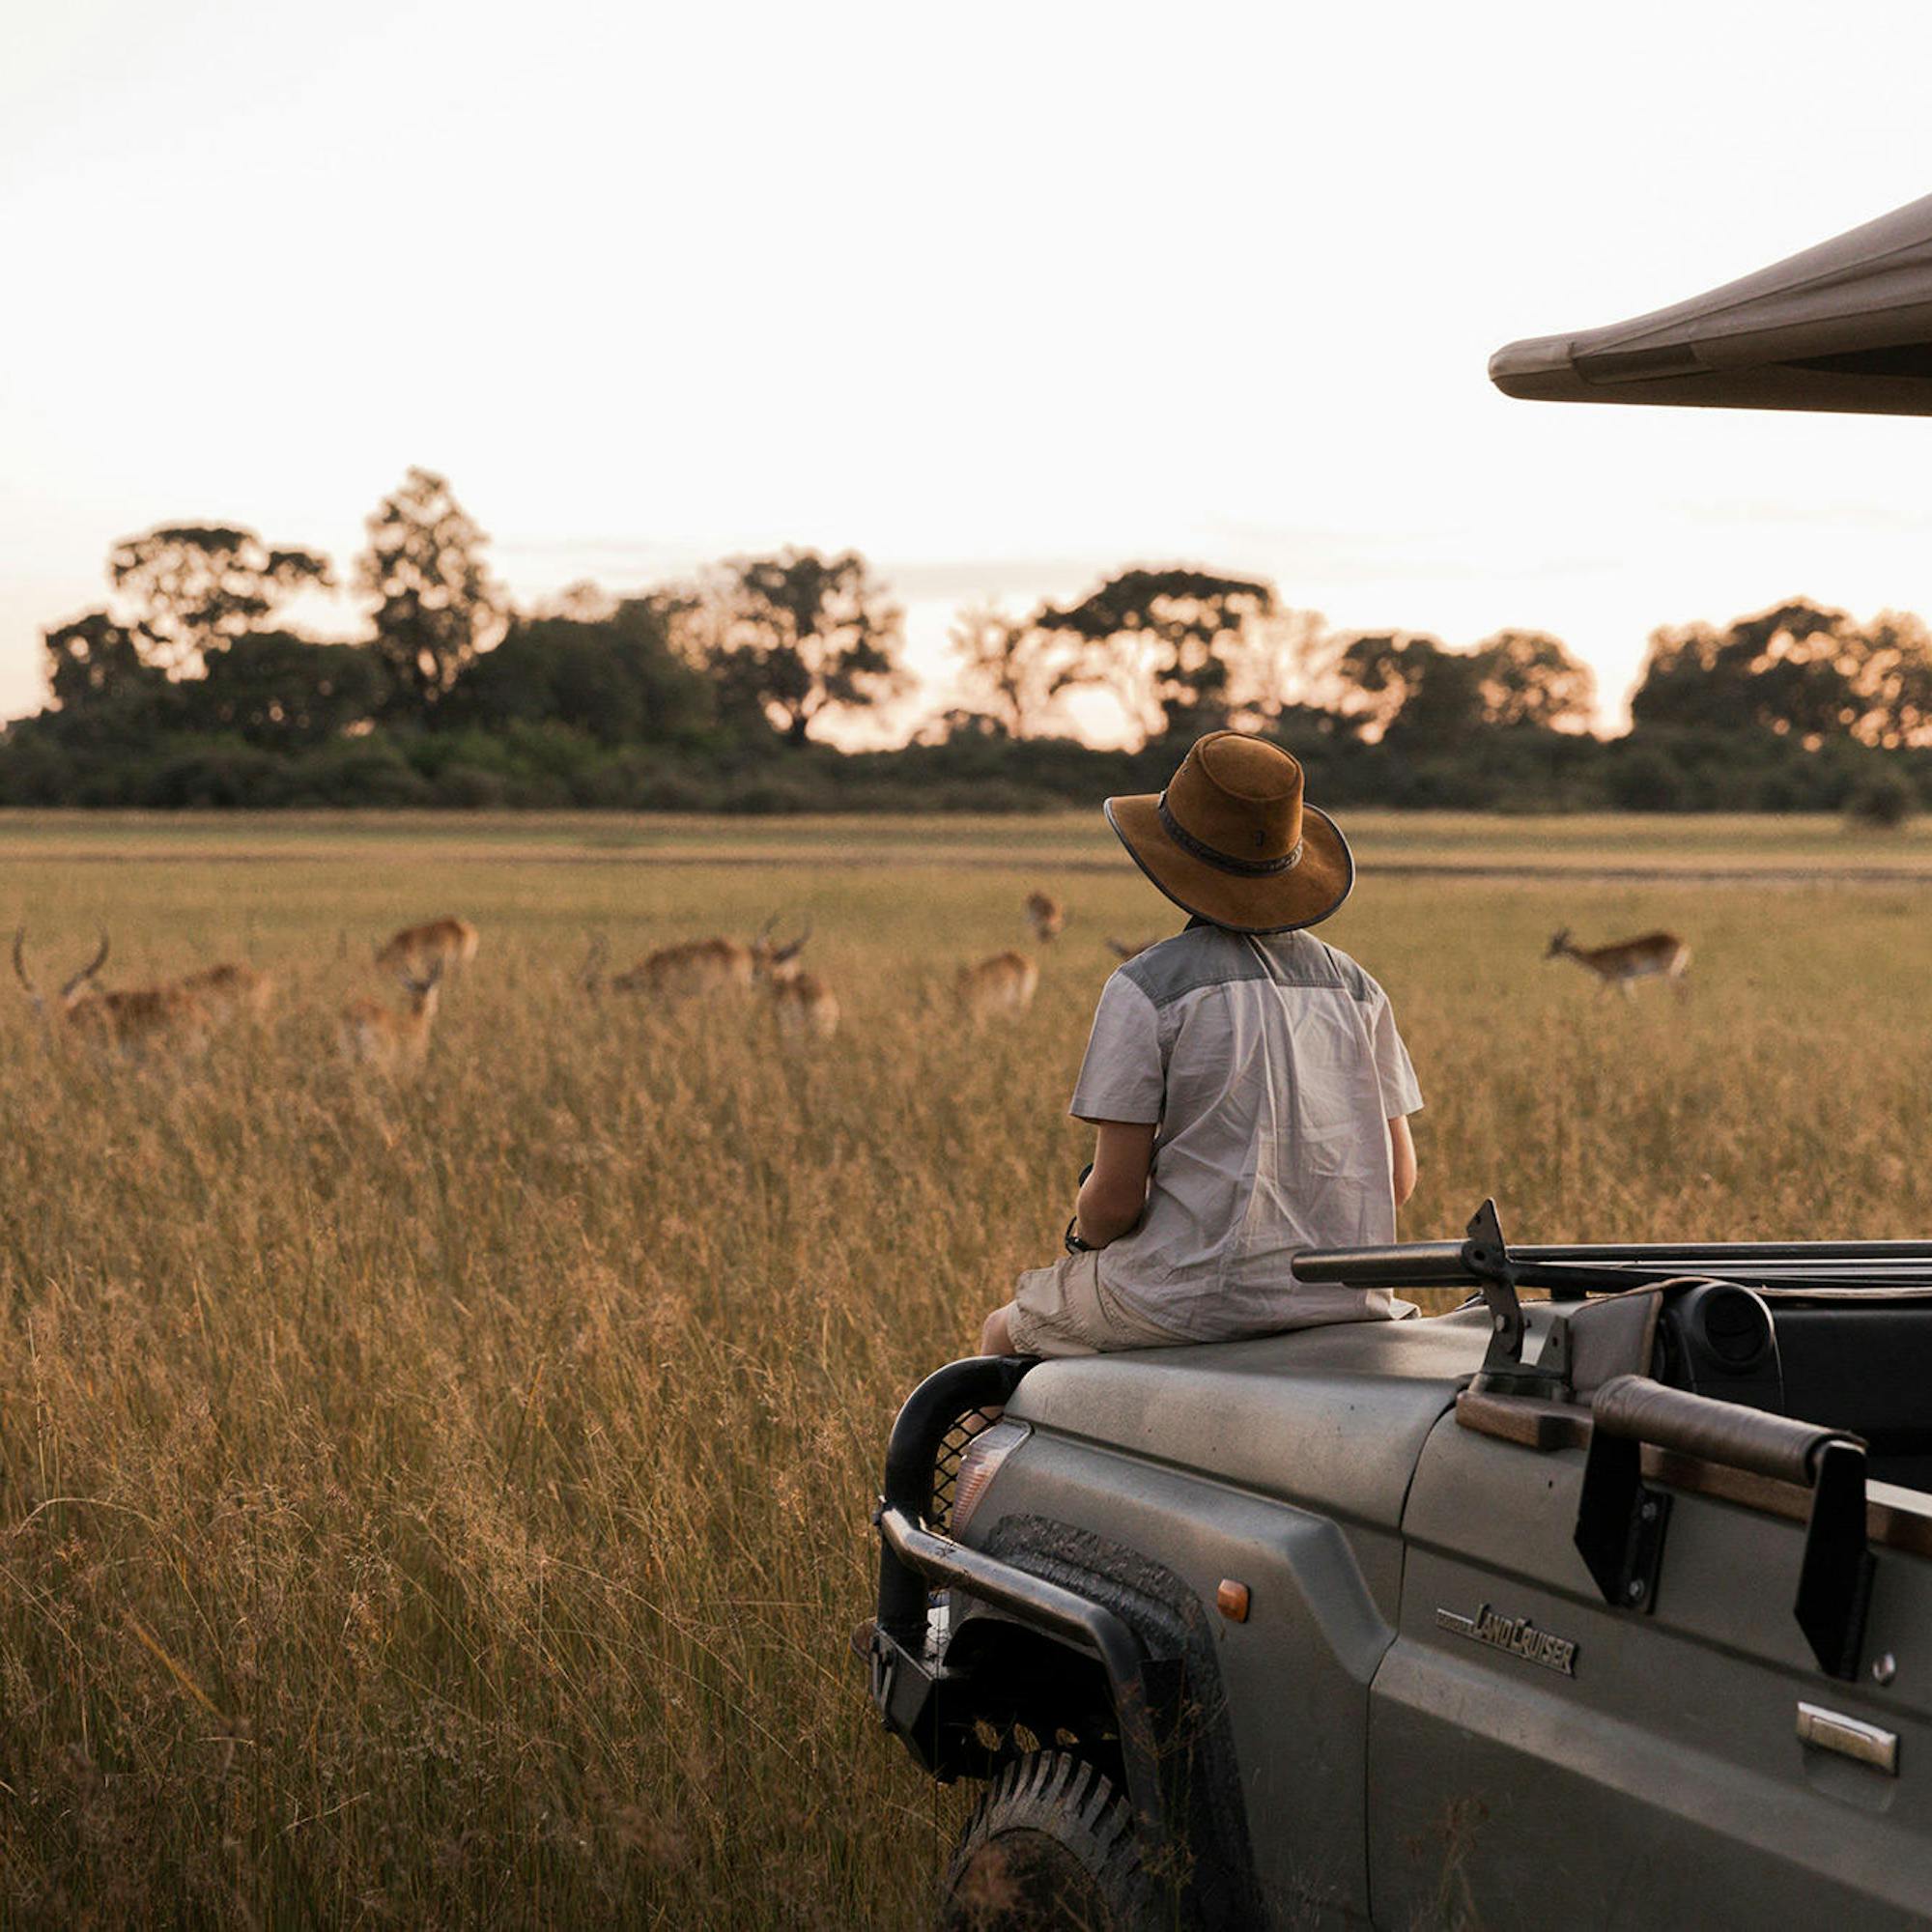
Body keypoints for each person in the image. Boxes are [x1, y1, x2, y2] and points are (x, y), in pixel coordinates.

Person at [980, 729, 1422, 1358]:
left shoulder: (1145, 988)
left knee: (1001, 1332)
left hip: (1185, 1301)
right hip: (1351, 1302)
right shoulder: (1360, 990)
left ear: (1168, 859)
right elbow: (1398, 1180)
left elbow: (1113, 1203)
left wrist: (1085, 1230)